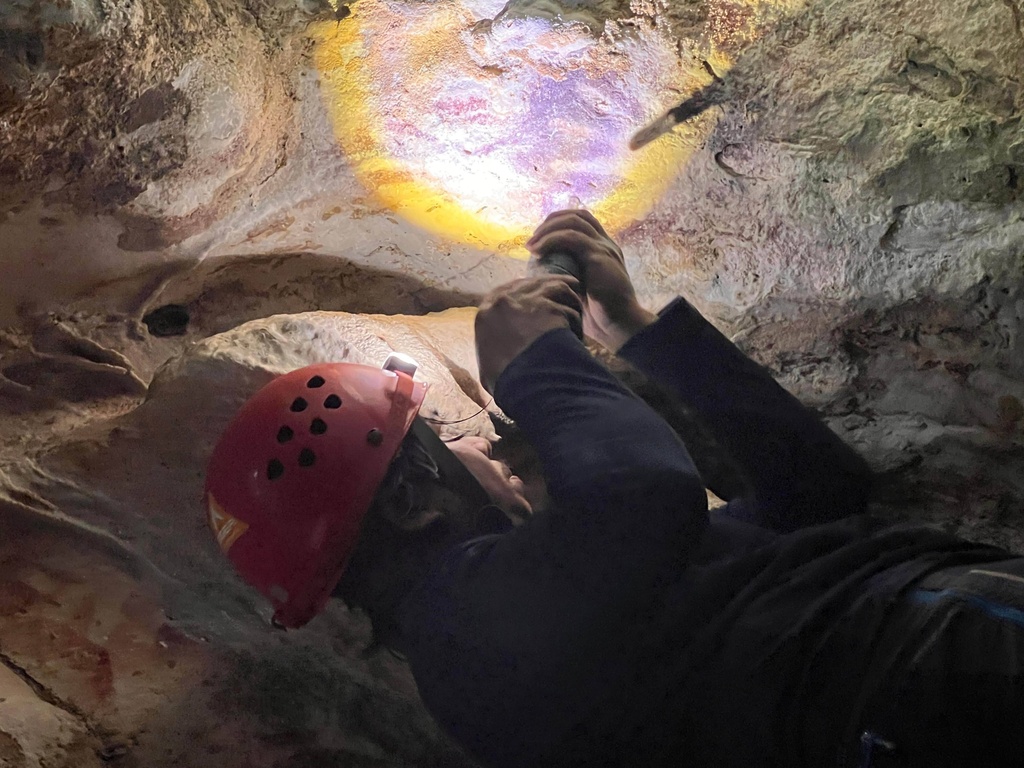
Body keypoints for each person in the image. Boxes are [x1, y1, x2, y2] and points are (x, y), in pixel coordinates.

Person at [205, 211, 1024, 768]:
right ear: (415, 502)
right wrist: (531, 363)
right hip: (920, 671)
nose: (479, 439)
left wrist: (635, 329)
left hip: (924, 660)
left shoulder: (568, 610)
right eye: (449, 439)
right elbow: (642, 493)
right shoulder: (466, 645)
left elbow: (820, 489)